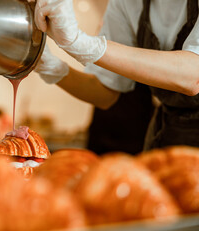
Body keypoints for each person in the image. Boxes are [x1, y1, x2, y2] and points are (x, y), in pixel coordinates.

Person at [29, 0, 199, 150]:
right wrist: (49, 66)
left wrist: (81, 43)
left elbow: (193, 75)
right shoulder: (126, 3)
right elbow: (106, 93)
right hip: (168, 135)